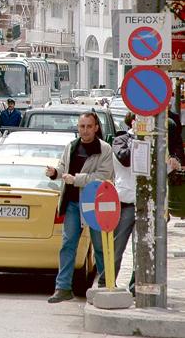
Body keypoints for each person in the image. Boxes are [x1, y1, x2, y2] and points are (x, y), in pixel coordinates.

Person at [46, 112, 114, 303]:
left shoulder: (104, 149)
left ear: (96, 128)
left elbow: (103, 177)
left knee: (100, 246)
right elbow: (63, 167)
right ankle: (63, 287)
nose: (85, 130)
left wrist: (77, 180)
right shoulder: (71, 146)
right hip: (73, 203)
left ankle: (105, 284)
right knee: (68, 244)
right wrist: (55, 173)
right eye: (82, 126)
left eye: (89, 126)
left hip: (95, 204)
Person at [96, 111, 136, 293]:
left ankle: (136, 285)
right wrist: (139, 142)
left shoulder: (156, 141)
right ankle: (107, 281)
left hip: (147, 202)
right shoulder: (121, 140)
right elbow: (125, 159)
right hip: (126, 200)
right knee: (118, 245)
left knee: (143, 248)